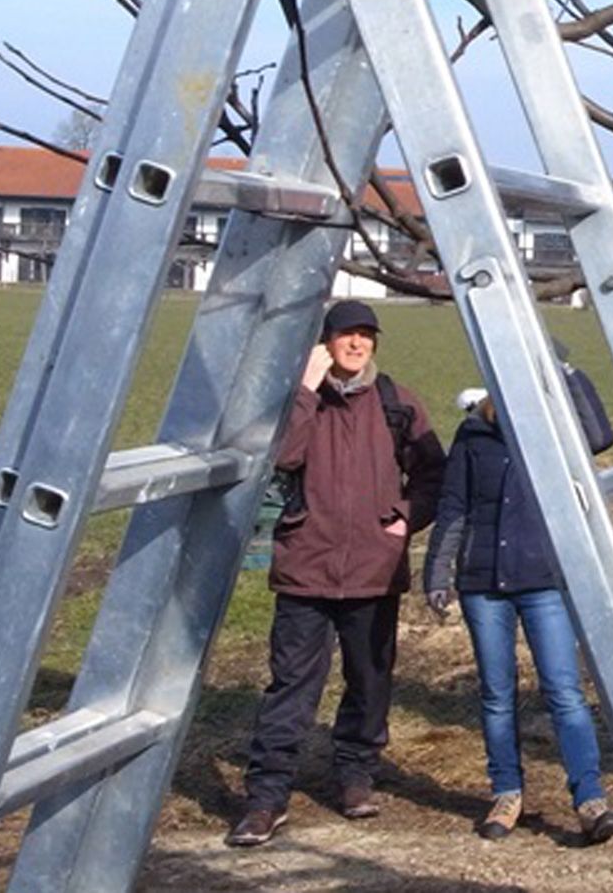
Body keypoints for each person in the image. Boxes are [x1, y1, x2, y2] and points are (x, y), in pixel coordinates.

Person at [228, 300, 448, 847]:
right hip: (307, 566)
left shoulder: (398, 402)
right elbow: (280, 458)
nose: (357, 344)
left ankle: (355, 776)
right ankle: (267, 796)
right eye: (346, 335)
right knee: (292, 688)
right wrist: (303, 390)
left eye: (366, 336)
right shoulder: (301, 401)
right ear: (325, 342)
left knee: (369, 681)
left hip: (375, 570)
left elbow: (435, 474)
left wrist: (407, 519)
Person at [424, 381, 613, 846]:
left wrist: (566, 370)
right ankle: (506, 793)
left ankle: (589, 798)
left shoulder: (554, 431)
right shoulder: (472, 435)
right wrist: (438, 572)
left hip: (544, 583)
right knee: (497, 695)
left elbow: (599, 436)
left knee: (564, 691)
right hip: (483, 585)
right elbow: (454, 505)